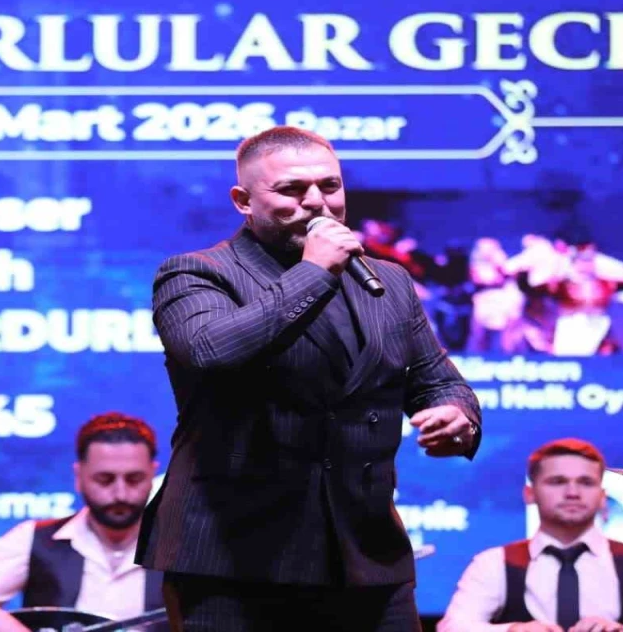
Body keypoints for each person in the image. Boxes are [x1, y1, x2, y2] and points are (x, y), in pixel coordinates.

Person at [136, 126, 482, 632]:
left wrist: (456, 416)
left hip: (365, 552)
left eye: (330, 186)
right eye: (292, 190)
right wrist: (314, 271)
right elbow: (210, 351)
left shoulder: (387, 280)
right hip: (234, 557)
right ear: (243, 201)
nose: (318, 202)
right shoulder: (196, 273)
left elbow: (436, 380)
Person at [0, 413, 164, 632]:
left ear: (153, 474)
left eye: (134, 479)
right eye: (104, 479)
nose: (120, 494)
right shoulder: (35, 539)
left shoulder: (176, 544)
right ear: (78, 476)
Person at [437, 439, 623, 632]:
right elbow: (452, 627)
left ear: (602, 497)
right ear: (529, 494)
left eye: (586, 482)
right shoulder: (493, 563)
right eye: (557, 481)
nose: (572, 493)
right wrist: (514, 630)